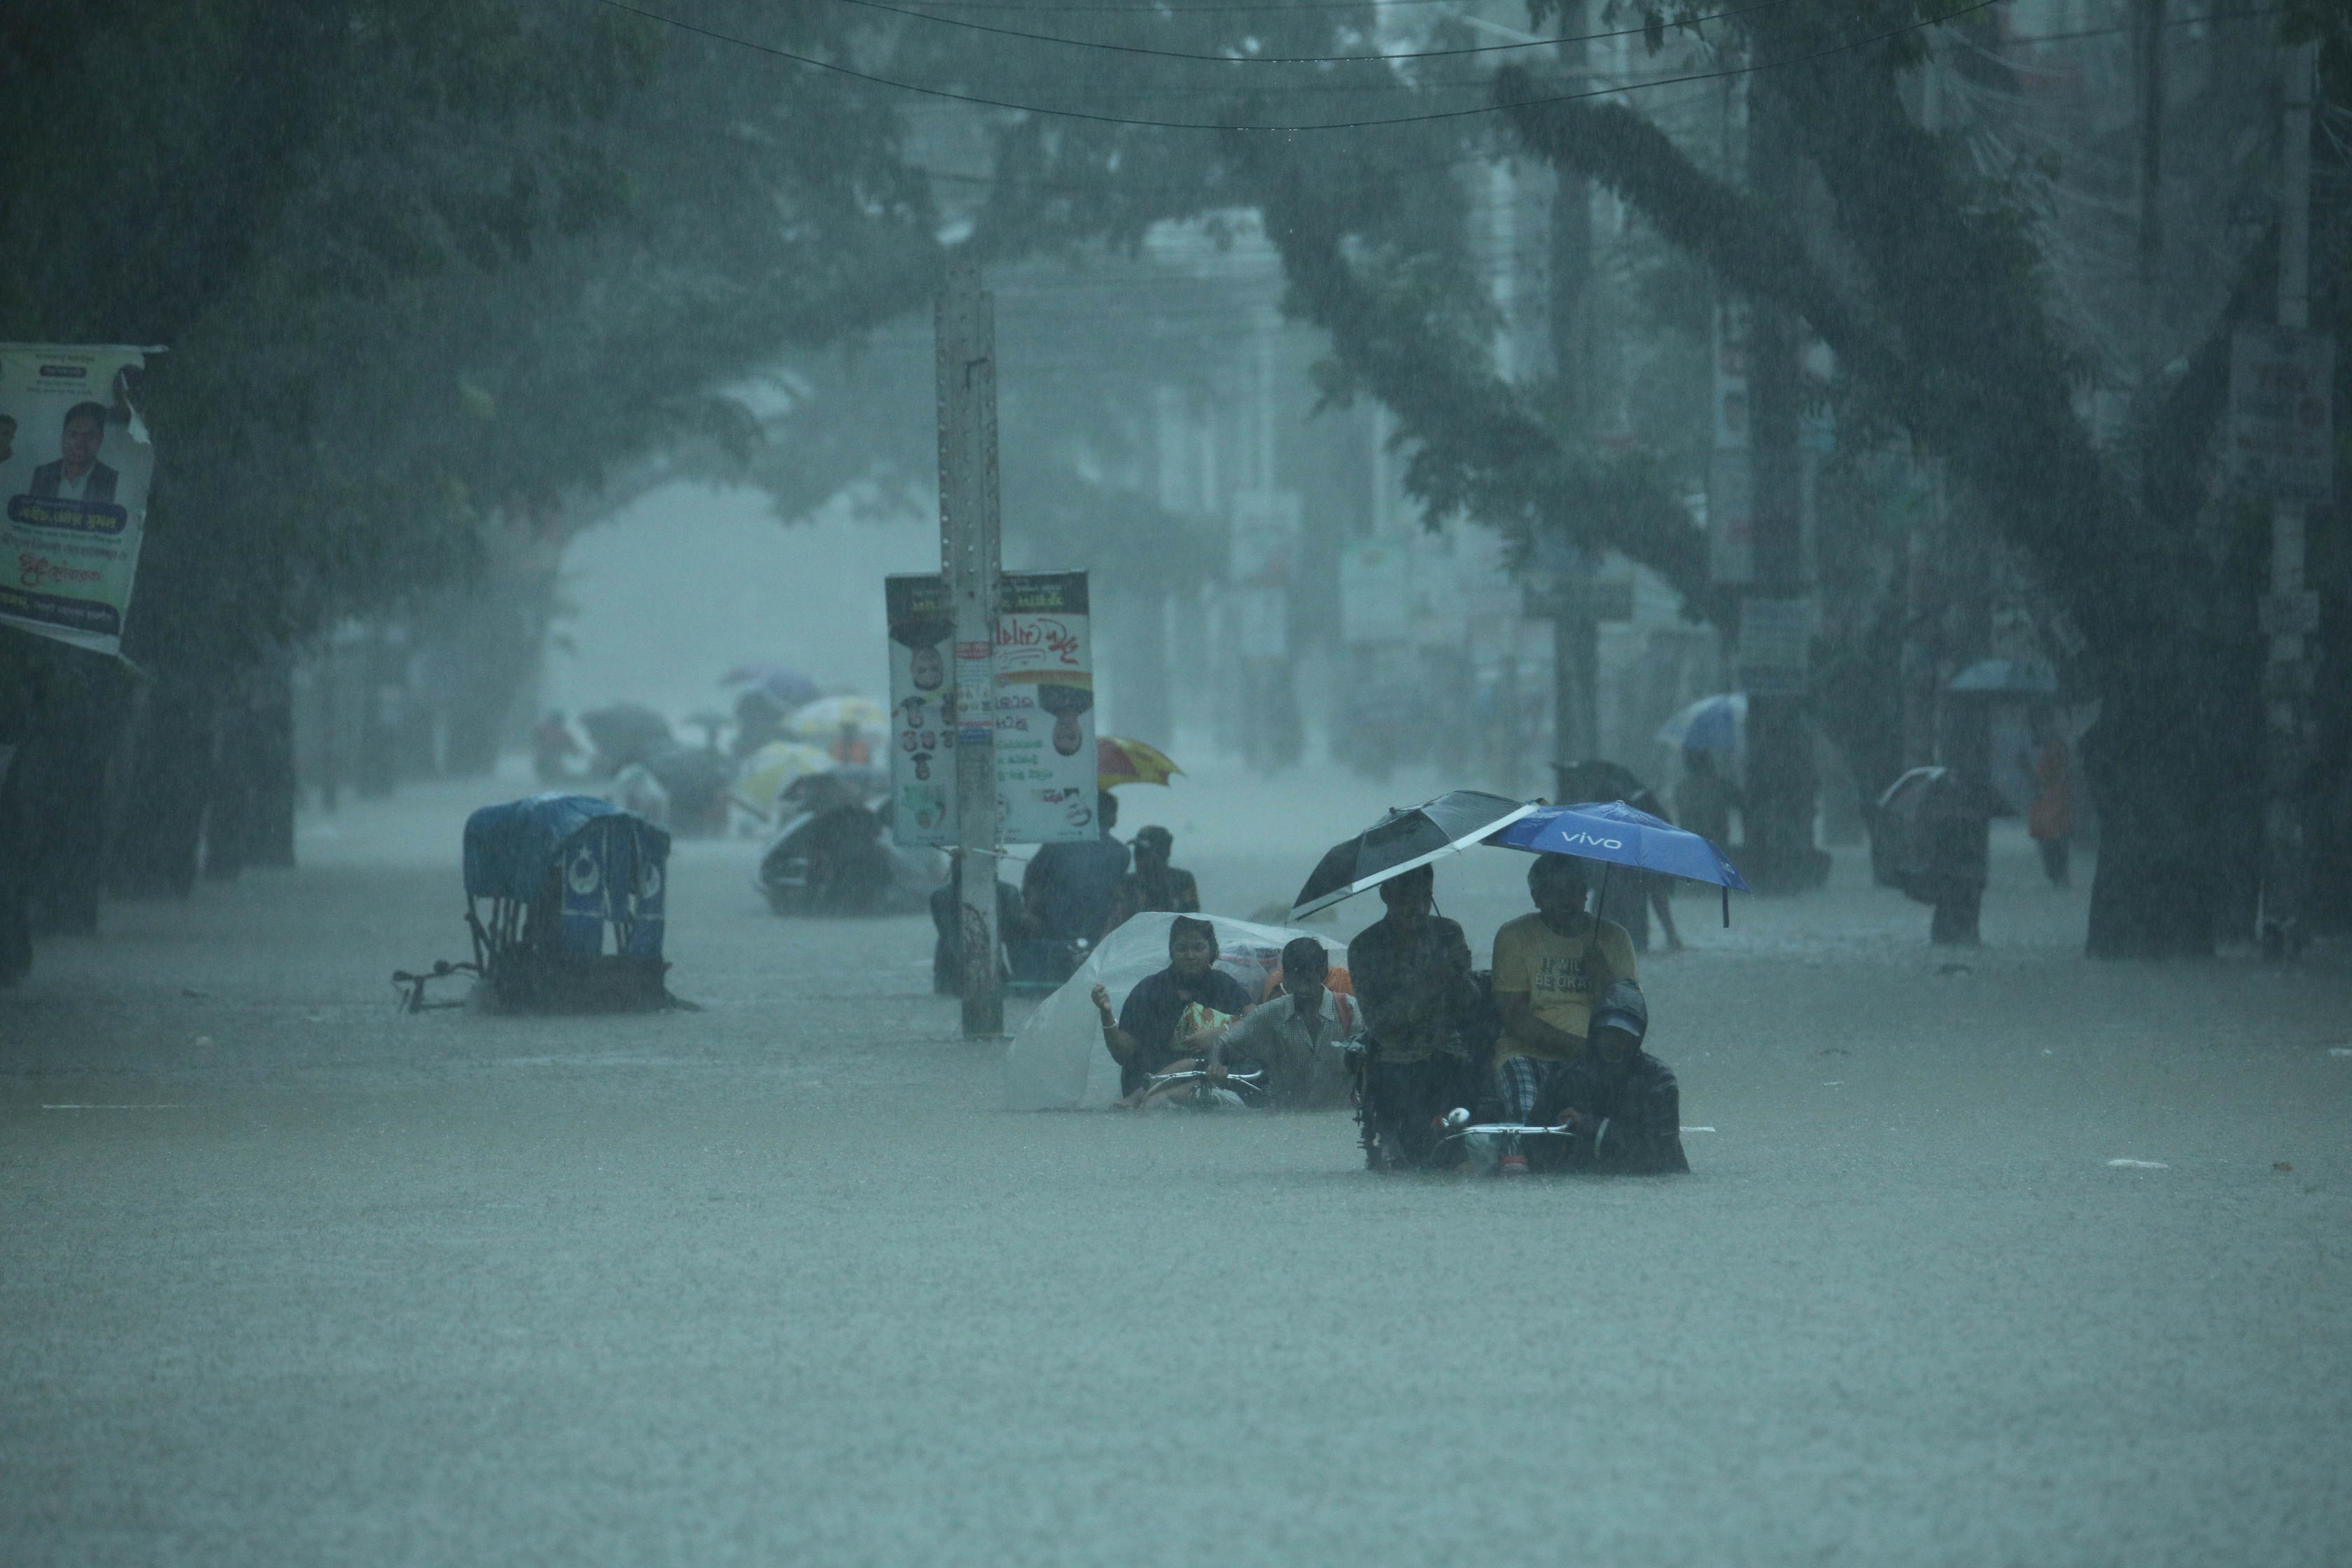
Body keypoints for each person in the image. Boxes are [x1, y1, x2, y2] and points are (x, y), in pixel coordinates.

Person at [1490, 854, 1638, 1175]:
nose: (1567, 901)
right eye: (1555, 892)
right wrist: (1577, 1046)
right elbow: (1514, 1017)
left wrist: (1604, 980)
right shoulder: (1514, 936)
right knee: (1526, 1113)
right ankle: (1515, 1163)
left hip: (1598, 1057)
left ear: (1587, 893)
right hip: (1527, 1053)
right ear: (1537, 897)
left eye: (1575, 891)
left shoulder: (1615, 938)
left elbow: (1630, 1019)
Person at [1347, 864, 1487, 1170]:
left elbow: (1470, 1005)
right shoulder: (1365, 947)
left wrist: (1461, 976)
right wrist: (1433, 982)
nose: (1418, 909)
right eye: (1407, 899)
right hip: (1397, 1064)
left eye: (1425, 898)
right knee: (1419, 1151)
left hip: (1452, 1056)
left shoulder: (1448, 932)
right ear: (1386, 894)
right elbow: (1381, 1024)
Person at [1092, 915, 1254, 1103]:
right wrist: (1106, 1013)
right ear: (1171, 951)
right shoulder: (1149, 990)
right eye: (1182, 948)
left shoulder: (1224, 986)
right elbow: (1123, 1054)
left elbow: (1257, 1021)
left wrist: (1219, 1032)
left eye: (1198, 948)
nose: (1190, 956)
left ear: (1212, 951)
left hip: (1203, 1091)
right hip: (1143, 1092)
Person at [1533, 979, 1688, 1174]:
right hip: (1581, 1181)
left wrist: (1589, 1126)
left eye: (1623, 1035)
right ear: (1595, 1033)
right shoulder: (1567, 1076)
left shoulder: (1658, 1081)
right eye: (1608, 1033)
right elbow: (1534, 1144)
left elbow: (1656, 1156)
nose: (1615, 1043)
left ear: (1636, 1039)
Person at [1192, 937, 1359, 1110]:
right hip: (1287, 1119)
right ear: (1285, 976)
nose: (1302, 989)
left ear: (1322, 973)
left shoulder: (1349, 1011)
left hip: (1340, 1116)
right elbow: (1222, 1042)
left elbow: (1374, 1055)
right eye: (1295, 981)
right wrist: (1215, 1066)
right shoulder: (1273, 1013)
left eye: (1308, 981)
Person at [1552, 760, 1681, 953]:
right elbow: (1657, 888)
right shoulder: (1643, 816)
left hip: (1610, 914)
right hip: (1628, 914)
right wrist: (1671, 934)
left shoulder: (1586, 824)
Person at [1023, 790, 1130, 947]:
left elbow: (1032, 882)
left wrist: (1033, 914)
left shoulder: (1057, 843)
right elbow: (1117, 893)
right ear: (1112, 818)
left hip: (1052, 929)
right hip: (1096, 931)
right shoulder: (1120, 852)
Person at [930, 850, 1032, 995]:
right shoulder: (942, 898)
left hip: (958, 977)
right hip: (955, 977)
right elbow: (951, 939)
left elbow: (1016, 940)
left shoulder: (1006, 894)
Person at [1107, 825, 1198, 932]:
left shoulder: (1183, 881)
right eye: (1137, 853)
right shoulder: (1126, 884)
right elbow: (1116, 922)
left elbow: (1192, 922)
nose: (1139, 859)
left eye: (1145, 854)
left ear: (1163, 854)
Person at [29, 402, 118, 503]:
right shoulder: (42, 474)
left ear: (100, 440)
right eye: (73, 434)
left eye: (88, 436)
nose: (79, 443)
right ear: (63, 436)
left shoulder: (112, 479)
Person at [2027, 710, 2075, 888]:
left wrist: (2025, 767)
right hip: (2056, 801)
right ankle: (2059, 875)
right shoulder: (2057, 746)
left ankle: (2058, 875)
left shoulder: (2053, 747)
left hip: (2052, 802)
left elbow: (2042, 776)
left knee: (2051, 840)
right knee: (2056, 839)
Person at [1675, 748, 1742, 850]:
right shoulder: (1721, 785)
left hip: (1691, 841)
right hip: (1717, 840)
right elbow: (1742, 803)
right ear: (1709, 763)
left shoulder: (1681, 788)